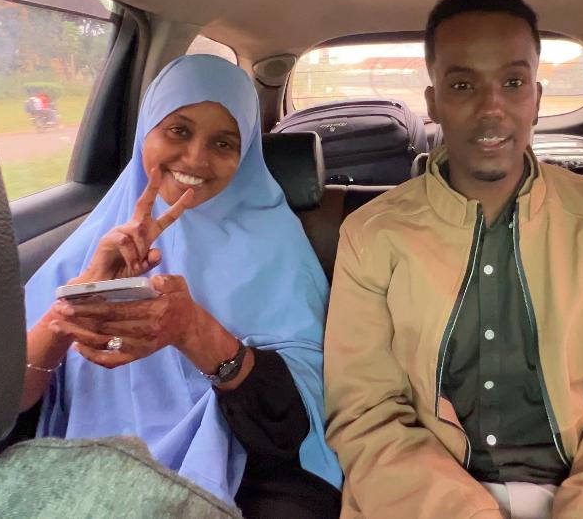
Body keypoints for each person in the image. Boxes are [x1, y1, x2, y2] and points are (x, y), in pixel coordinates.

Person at [324, 0, 583, 518]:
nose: (491, 108)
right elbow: (366, 415)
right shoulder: (371, 235)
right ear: (433, 104)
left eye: (513, 83)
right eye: (463, 84)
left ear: (537, 99)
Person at [21, 54, 342, 517]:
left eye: (223, 143)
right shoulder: (95, 242)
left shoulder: (278, 246)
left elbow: (298, 422)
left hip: (244, 474)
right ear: (146, 130)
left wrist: (194, 331)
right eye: (179, 130)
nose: (196, 159)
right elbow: (6, 402)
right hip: (88, 467)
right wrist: (74, 308)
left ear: (246, 153)